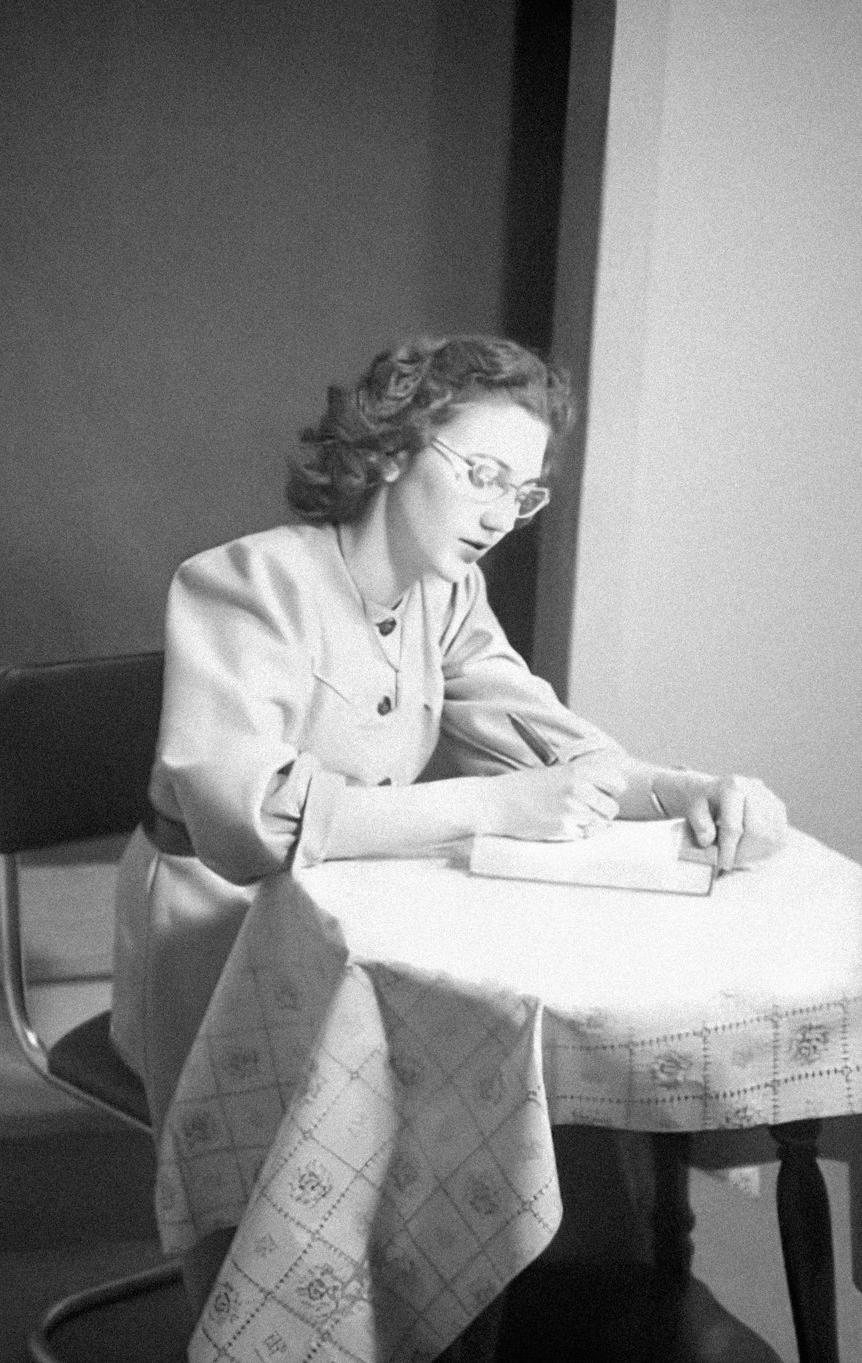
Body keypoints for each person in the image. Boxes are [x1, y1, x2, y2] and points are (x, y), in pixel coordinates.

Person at [110, 334, 787, 1362]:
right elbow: (246, 819)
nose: (499, 513)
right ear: (389, 448)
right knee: (262, 1220)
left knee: (406, 1153)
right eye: (481, 474)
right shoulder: (240, 582)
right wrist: (489, 809)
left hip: (347, 935)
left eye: (524, 493)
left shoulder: (447, 595)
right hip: (213, 926)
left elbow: (555, 748)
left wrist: (688, 791)